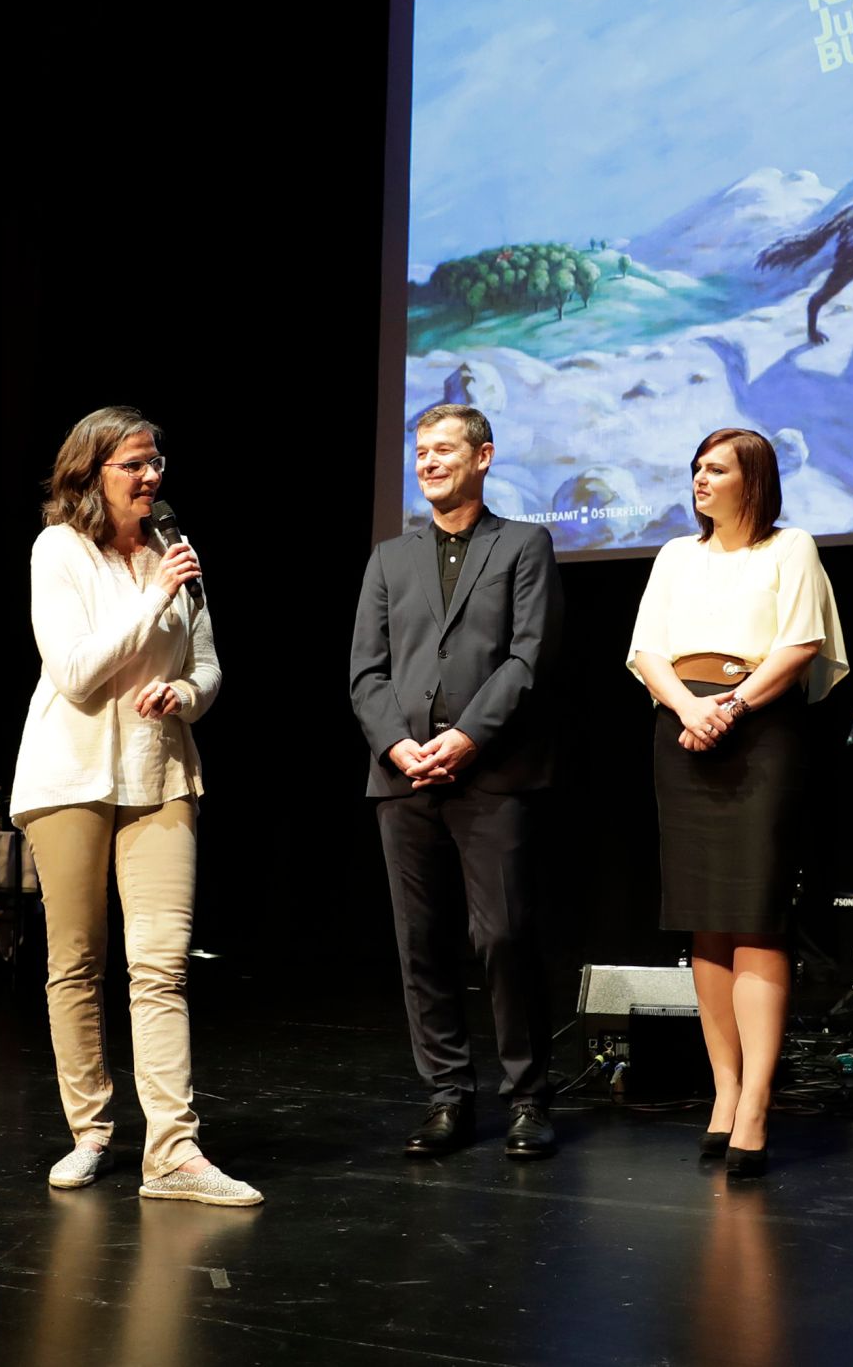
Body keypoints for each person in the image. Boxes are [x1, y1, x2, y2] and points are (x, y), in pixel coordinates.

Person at [10, 406, 259, 1206]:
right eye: (135, 464)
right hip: (70, 776)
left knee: (161, 963)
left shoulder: (172, 551)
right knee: (77, 961)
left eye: (157, 463)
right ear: (92, 473)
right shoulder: (60, 549)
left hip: (160, 771)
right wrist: (152, 599)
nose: (152, 476)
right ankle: (90, 1131)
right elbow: (77, 672)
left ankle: (174, 1152)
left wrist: (186, 691)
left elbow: (208, 663)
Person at [627, 428, 847, 1177]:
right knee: (706, 918)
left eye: (715, 468)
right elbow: (647, 650)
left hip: (759, 733)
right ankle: (723, 1090)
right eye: (696, 467)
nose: (699, 478)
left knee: (755, 915)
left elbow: (800, 645)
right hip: (683, 730)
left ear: (752, 480)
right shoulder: (674, 555)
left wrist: (731, 706)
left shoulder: (791, 549)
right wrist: (690, 708)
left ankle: (756, 1101)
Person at [350, 404, 563, 1159]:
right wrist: (398, 745)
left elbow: (529, 656)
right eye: (421, 452)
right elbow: (366, 672)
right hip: (404, 777)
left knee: (502, 935)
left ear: (483, 457)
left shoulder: (524, 543)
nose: (429, 462)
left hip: (492, 771)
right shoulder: (389, 558)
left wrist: (468, 736)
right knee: (421, 942)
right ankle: (447, 1096)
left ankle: (528, 1097)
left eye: (444, 449)